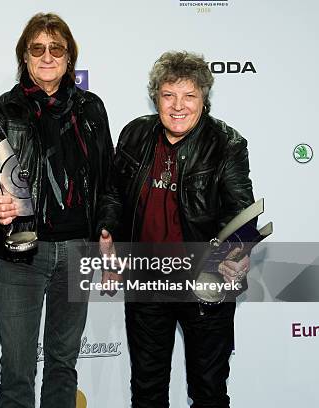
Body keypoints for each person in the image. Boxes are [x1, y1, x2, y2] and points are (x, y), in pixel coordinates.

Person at [0, 13, 118, 408]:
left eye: (56, 48)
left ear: (69, 58)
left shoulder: (91, 109)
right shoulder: (2, 108)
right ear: (25, 56)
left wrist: (106, 228)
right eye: (37, 48)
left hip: (78, 251)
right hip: (23, 251)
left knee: (63, 364)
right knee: (18, 367)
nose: (46, 56)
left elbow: (107, 181)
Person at [112, 51, 254, 408]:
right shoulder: (135, 134)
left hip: (205, 283)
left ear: (203, 100)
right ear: (155, 97)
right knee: (147, 391)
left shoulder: (227, 143)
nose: (178, 106)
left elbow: (240, 211)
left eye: (189, 95)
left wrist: (234, 253)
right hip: (147, 281)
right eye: (168, 95)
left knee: (208, 391)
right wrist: (106, 228)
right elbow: (113, 194)